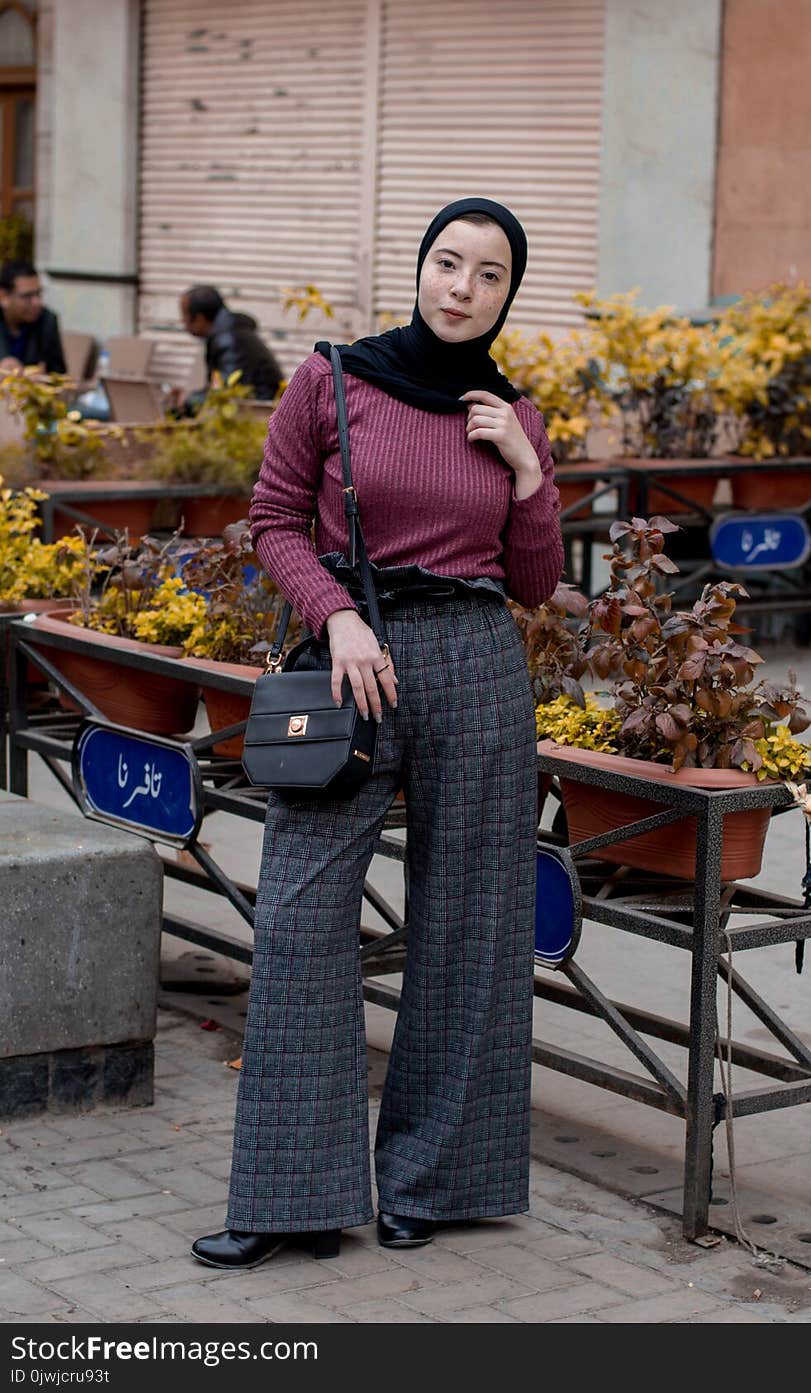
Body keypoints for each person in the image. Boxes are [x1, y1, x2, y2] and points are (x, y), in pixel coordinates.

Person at [191, 197, 564, 1270]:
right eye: (447, 262)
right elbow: (271, 520)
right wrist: (337, 613)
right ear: (419, 266)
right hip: (350, 660)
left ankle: (429, 1184)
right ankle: (287, 1194)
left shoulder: (513, 413)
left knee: (472, 927)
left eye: (488, 274)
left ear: (506, 294)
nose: (461, 286)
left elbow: (532, 583)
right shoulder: (334, 378)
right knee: (302, 921)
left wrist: (529, 474)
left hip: (477, 666)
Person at [178, 285, 282, 411]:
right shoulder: (231, 332)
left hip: (260, 414)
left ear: (200, 318)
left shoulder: (229, 341)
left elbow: (225, 393)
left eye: (184, 316)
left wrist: (189, 400)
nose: (182, 322)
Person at [0, 261, 66, 376]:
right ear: (4, 297)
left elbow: (59, 373)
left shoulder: (47, 321)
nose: (37, 302)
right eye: (27, 296)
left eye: (38, 294)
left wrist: (44, 379)